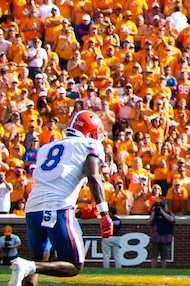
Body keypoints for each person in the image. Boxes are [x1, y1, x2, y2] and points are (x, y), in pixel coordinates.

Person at [9, 112, 114, 286]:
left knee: (36, 263)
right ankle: (26, 266)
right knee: (74, 264)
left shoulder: (46, 147)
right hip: (57, 207)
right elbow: (93, 177)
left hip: (33, 208)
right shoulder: (88, 144)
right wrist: (105, 213)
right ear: (89, 131)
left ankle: (25, 268)